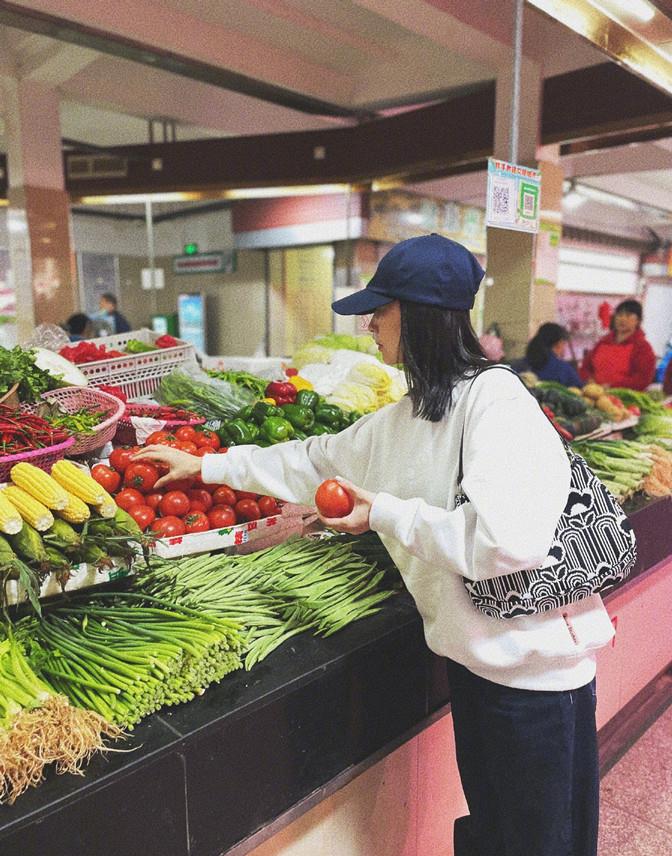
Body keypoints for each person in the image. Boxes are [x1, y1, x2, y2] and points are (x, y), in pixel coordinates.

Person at [135, 234, 614, 856]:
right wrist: (207, 467)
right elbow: (313, 460)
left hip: (536, 678)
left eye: (379, 312)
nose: (368, 327)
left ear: (418, 315)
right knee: (498, 835)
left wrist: (383, 512)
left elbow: (508, 541)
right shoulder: (409, 415)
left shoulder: (497, 402)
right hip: (477, 666)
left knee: (539, 844)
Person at [580, 299, 656, 390]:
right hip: (595, 394)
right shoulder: (602, 342)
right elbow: (585, 367)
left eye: (628, 315)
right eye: (619, 315)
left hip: (623, 399)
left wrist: (612, 387)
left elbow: (642, 379)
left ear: (638, 320)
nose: (622, 319)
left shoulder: (643, 348)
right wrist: (589, 380)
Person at [524, 322, 583, 387]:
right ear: (559, 343)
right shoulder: (563, 370)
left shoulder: (520, 365)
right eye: (564, 343)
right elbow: (580, 391)